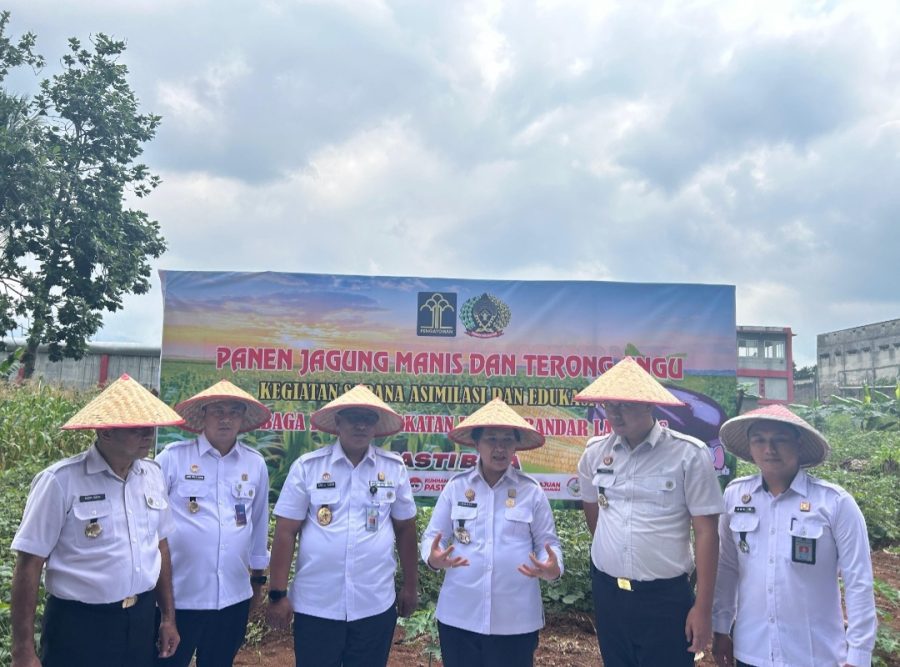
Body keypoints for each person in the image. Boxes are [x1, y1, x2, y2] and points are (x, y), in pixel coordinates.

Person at [10, 374, 184, 667]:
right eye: (137, 427)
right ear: (105, 431)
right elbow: (30, 563)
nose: (148, 434)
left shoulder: (152, 475)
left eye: (151, 426)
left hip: (141, 620)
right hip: (80, 626)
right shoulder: (60, 482)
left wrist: (168, 617)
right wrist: (22, 651)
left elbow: (160, 546)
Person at [575, 356, 724, 666]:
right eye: (609, 405)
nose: (615, 412)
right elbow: (593, 511)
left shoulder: (688, 454)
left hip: (665, 598)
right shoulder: (594, 453)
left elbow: (707, 532)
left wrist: (703, 607)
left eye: (625, 404)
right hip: (609, 592)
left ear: (649, 405)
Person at [712, 404, 877, 667]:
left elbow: (858, 580)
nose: (769, 449)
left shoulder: (834, 503)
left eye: (780, 439)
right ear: (750, 447)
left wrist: (859, 654)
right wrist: (721, 627)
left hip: (814, 655)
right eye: (759, 440)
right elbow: (727, 567)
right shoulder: (735, 496)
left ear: (798, 444)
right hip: (751, 650)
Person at [265, 384, 418, 667]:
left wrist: (410, 586)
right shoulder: (308, 467)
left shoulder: (393, 468)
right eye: (353, 417)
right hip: (317, 605)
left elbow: (406, 529)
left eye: (368, 418)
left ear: (376, 425)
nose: (361, 425)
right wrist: (277, 594)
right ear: (338, 422)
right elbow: (286, 531)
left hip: (374, 603)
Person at [421, 398, 563, 667]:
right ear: (477, 443)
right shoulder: (456, 487)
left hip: (516, 620)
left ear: (516, 445)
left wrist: (552, 568)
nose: (500, 448)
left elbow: (549, 543)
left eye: (507, 440)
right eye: (491, 439)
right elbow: (432, 536)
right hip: (460, 615)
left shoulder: (531, 491)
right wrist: (433, 557)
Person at [155, 380, 272, 666]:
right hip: (180, 596)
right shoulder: (173, 458)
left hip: (232, 597)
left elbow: (258, 524)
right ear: (203, 415)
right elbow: (151, 525)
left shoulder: (255, 464)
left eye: (234, 412)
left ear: (242, 419)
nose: (225, 418)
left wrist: (258, 581)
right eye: (218, 411)